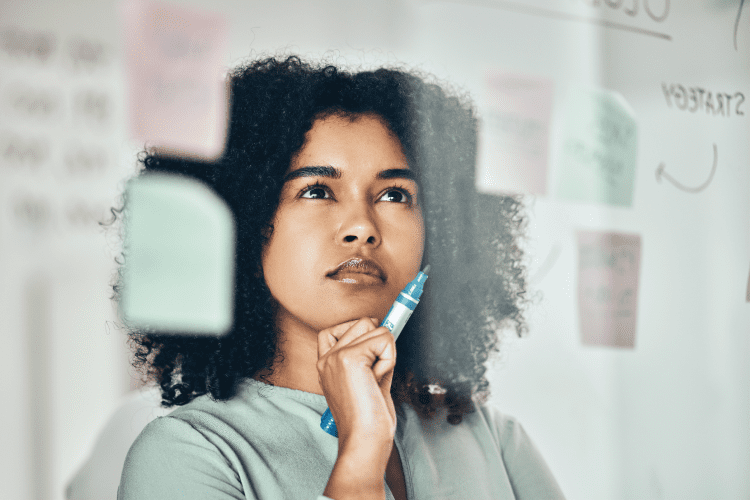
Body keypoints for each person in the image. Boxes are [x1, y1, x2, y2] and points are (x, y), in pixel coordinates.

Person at [115, 55, 565, 500]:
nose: (363, 227)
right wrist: (361, 455)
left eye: (394, 194)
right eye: (316, 190)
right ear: (245, 222)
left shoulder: (493, 440)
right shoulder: (191, 454)